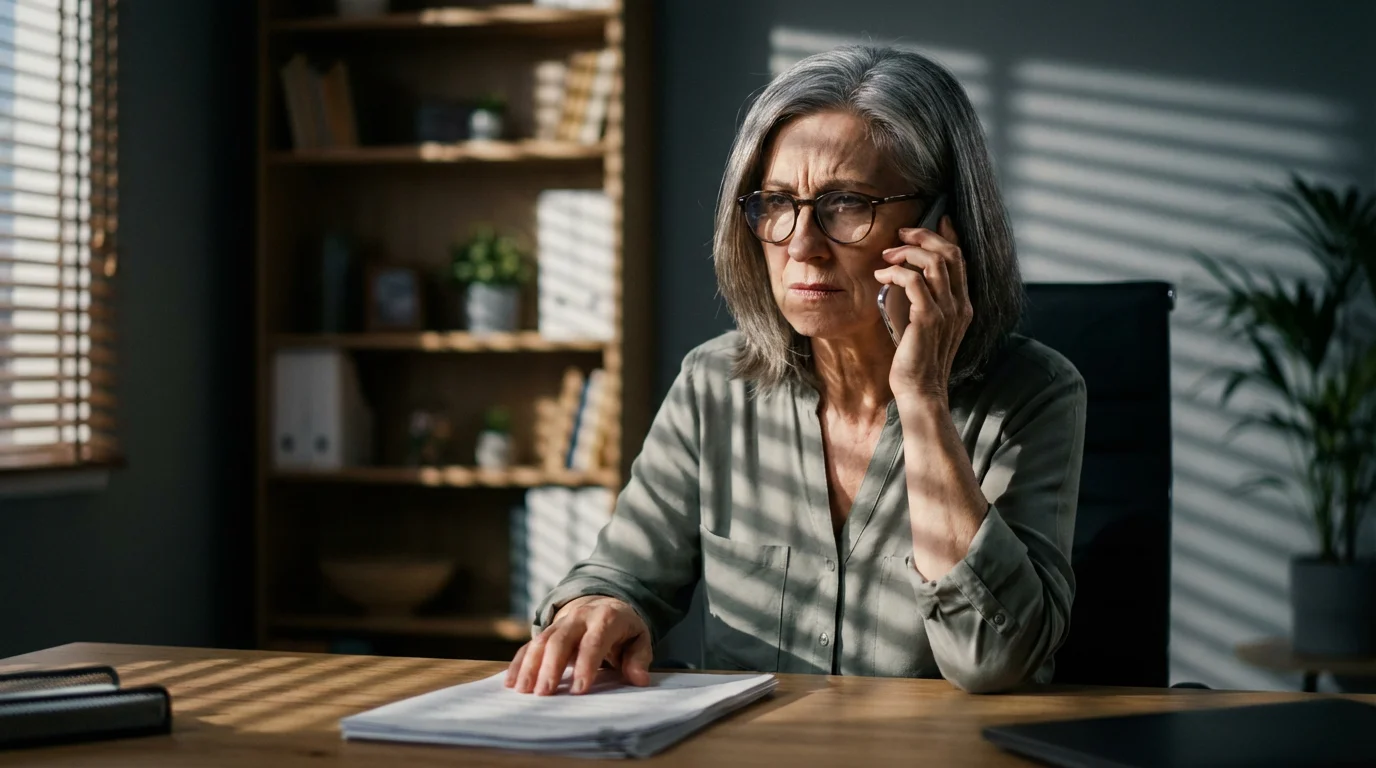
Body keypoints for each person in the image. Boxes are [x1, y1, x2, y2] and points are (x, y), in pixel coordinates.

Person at [505, 45, 1085, 696]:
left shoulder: (1034, 393)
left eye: (846, 204)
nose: (802, 246)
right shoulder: (713, 385)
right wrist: (600, 606)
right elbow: (623, 574)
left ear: (937, 225)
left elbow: (997, 659)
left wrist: (921, 398)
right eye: (776, 204)